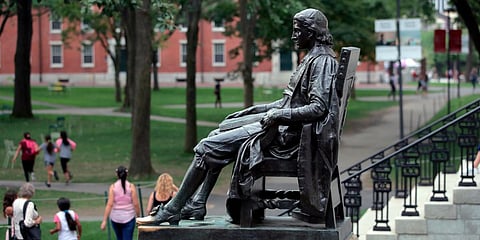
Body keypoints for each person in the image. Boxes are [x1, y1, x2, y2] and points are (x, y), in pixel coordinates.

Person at [137, 8, 338, 225]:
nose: (293, 36)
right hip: (281, 129)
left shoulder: (322, 62)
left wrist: (278, 114)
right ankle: (197, 202)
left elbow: (318, 108)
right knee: (218, 132)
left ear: (312, 32)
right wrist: (256, 109)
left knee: (206, 147)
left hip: (286, 139)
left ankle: (172, 208)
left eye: (298, 31)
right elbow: (292, 102)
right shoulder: (312, 58)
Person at [100, 166, 140, 240]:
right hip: (129, 217)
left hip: (116, 218)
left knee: (119, 238)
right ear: (127, 174)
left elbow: (109, 204)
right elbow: (136, 204)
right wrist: (138, 217)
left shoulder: (113, 187)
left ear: (117, 174)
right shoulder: (131, 187)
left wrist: (104, 220)